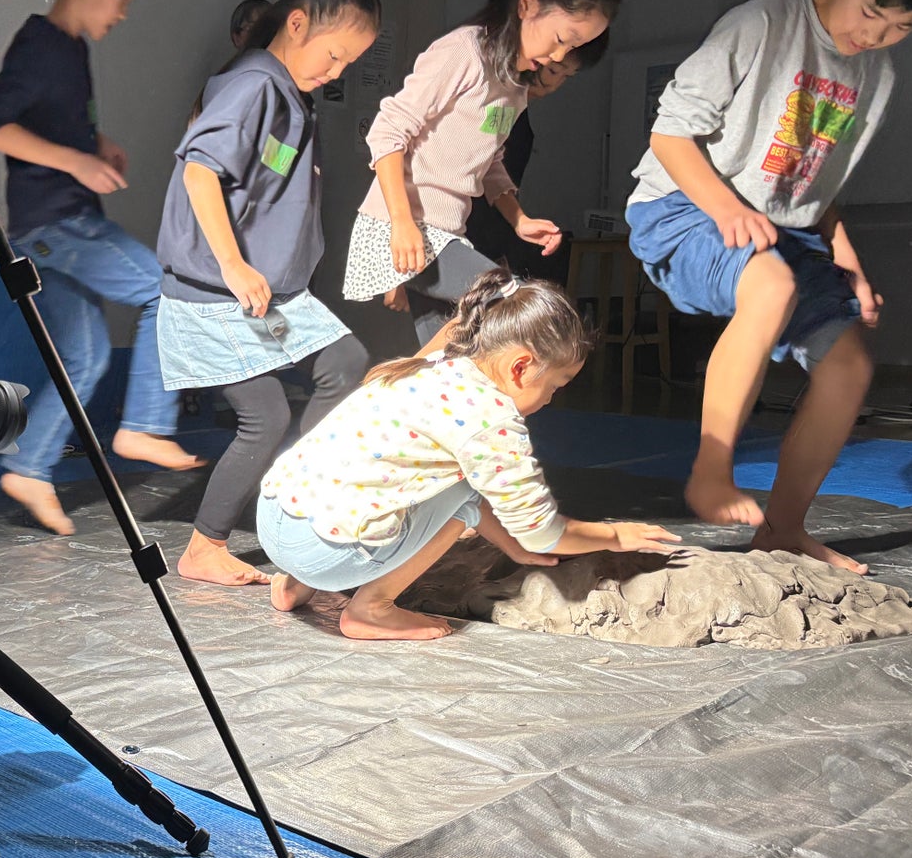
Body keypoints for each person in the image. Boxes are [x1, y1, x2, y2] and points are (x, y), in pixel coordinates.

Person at [626, 0, 912, 569]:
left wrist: (848, 259)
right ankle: (711, 469)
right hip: (681, 207)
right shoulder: (762, 24)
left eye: (900, 28)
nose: (874, 36)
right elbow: (670, 134)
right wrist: (726, 210)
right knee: (770, 285)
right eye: (870, 12)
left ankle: (783, 529)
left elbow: (816, 183)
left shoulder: (878, 74)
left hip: (784, 232)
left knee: (850, 368)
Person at [260, 270, 678, 640]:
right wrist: (616, 536)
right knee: (463, 493)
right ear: (520, 367)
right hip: (326, 554)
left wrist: (513, 547)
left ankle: (296, 586)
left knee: (384, 479)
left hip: (276, 518)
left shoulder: (439, 363)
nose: (551, 399)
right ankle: (372, 607)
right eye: (555, 385)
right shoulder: (490, 419)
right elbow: (540, 532)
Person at [155, 0, 379, 586]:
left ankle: (296, 499)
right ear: (298, 23)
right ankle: (206, 546)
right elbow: (200, 171)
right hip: (214, 295)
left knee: (345, 363)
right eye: (333, 55)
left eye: (348, 64)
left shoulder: (289, 95)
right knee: (266, 416)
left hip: (272, 297)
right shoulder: (254, 85)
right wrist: (233, 265)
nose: (336, 73)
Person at [0, 0, 201, 538]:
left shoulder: (71, 51)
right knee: (166, 290)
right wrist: (75, 160)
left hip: (50, 230)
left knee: (85, 355)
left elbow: (51, 121)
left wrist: (94, 143)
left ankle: (29, 467)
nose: (123, 12)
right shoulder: (40, 45)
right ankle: (145, 425)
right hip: (59, 224)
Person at [342, 0, 623, 350]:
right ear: (527, 4)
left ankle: (394, 384)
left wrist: (519, 219)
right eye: (561, 38)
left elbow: (490, 162)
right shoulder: (464, 52)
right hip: (404, 229)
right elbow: (388, 130)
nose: (557, 55)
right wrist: (401, 223)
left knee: (451, 357)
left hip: (447, 233)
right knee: (509, 299)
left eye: (573, 49)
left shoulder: (515, 88)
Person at [461, 34, 609, 281]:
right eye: (554, 70)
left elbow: (490, 165)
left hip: (493, 229)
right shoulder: (490, 93)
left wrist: (519, 220)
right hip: (455, 228)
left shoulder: (509, 109)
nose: (554, 85)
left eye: (567, 76)